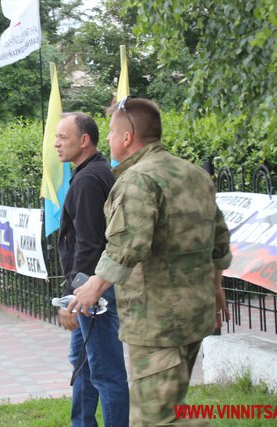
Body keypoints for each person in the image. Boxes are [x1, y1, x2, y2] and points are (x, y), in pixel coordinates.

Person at [69, 97, 231, 426]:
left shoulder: (136, 180)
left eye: (113, 133)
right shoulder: (195, 175)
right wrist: (216, 289)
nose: (110, 140)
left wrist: (93, 287)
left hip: (157, 322)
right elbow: (219, 241)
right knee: (171, 408)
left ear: (127, 137)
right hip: (194, 314)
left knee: (155, 419)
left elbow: (127, 245)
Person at [55, 112, 129, 427]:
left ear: (84, 141)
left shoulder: (87, 180)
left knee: (105, 372)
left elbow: (89, 244)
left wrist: (74, 297)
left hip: (92, 293)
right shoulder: (95, 171)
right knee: (83, 366)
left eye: (63, 137)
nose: (56, 143)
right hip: (91, 289)